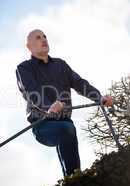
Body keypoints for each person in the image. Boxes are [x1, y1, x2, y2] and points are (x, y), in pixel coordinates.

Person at [16, 29, 113, 177]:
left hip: (65, 121)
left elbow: (80, 83)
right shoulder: (23, 68)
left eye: (44, 36)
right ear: (29, 46)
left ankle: (75, 178)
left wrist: (99, 97)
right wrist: (49, 106)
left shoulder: (60, 65)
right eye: (38, 37)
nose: (43, 39)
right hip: (41, 124)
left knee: (67, 127)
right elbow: (31, 91)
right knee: (65, 128)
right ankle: (74, 180)